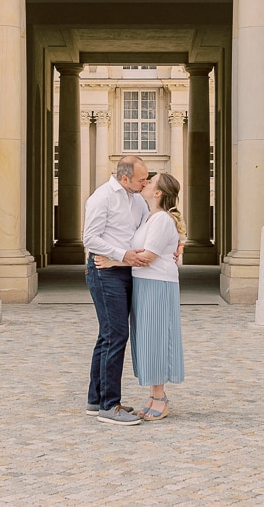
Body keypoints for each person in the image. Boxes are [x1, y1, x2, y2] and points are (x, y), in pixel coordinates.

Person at [98, 172, 186, 421]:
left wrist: (112, 262)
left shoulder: (161, 220)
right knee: (146, 339)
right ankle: (153, 394)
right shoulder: (150, 217)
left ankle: (160, 397)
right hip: (145, 283)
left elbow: (147, 257)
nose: (145, 182)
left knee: (156, 338)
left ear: (158, 192)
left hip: (158, 284)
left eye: (151, 181)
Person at [82, 155, 151, 426]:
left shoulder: (137, 199)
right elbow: (90, 238)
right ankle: (110, 406)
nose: (145, 183)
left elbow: (146, 228)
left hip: (124, 269)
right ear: (124, 178)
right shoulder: (102, 198)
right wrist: (120, 254)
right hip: (103, 272)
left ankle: (95, 399)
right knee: (116, 335)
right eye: (140, 179)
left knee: (107, 335)